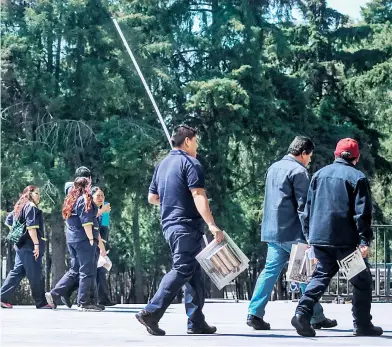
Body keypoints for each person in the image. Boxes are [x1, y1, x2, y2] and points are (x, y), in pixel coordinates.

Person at [136, 125, 224, 336]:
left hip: (170, 225)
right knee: (182, 269)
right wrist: (212, 225)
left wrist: (172, 200)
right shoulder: (191, 163)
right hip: (186, 226)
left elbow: (152, 198)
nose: (197, 145)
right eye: (195, 141)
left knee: (194, 273)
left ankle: (196, 321)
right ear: (187, 141)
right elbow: (198, 195)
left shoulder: (162, 164)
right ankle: (151, 312)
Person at [292, 138, 383, 337]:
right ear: (356, 158)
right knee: (362, 281)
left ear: (335, 155)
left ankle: (301, 314)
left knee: (321, 277)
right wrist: (364, 241)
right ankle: (362, 324)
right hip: (346, 242)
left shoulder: (318, 175)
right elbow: (362, 214)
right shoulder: (357, 177)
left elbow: (307, 209)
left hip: (320, 238)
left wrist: (309, 236)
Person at [247, 136, 336, 330]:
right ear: (303, 153)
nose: (310, 160)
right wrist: (310, 234)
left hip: (272, 230)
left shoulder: (273, 168)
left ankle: (254, 313)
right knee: (304, 274)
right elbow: (303, 207)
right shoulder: (299, 171)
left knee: (269, 272)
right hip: (293, 231)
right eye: (309, 156)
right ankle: (314, 316)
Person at [45, 177, 102, 312]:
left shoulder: (70, 200)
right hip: (84, 239)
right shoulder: (84, 199)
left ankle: (54, 294)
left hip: (72, 239)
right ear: (86, 186)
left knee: (75, 269)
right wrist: (91, 239)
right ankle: (84, 302)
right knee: (86, 270)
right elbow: (87, 221)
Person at [1, 186, 52, 309]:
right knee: (35, 272)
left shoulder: (21, 206)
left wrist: (18, 233)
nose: (38, 196)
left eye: (39, 193)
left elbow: (8, 221)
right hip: (29, 246)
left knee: (18, 272)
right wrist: (36, 244)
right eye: (36, 193)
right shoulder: (31, 207)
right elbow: (31, 228)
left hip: (21, 245)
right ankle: (41, 302)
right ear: (29, 194)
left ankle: (1, 297)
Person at [91, 186, 115, 306]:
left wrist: (103, 247)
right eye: (98, 196)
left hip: (101, 244)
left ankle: (103, 298)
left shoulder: (105, 212)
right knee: (97, 271)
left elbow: (104, 230)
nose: (100, 198)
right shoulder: (90, 210)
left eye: (102, 196)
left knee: (101, 270)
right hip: (92, 244)